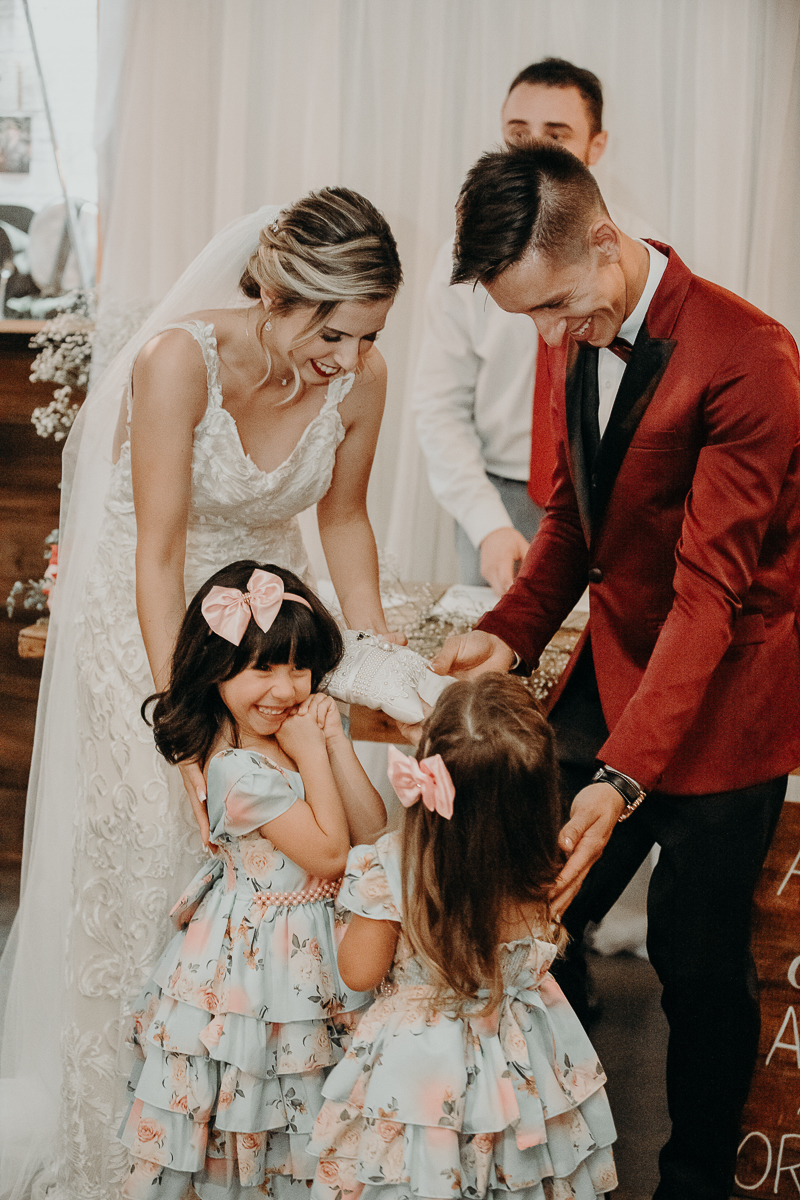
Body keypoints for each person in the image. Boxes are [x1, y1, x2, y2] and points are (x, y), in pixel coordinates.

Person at [0, 189, 403, 1200]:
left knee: (275, 867)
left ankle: (243, 1142)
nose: (350, 357)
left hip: (262, 632)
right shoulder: (178, 361)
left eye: (369, 334)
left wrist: (375, 662)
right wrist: (184, 728)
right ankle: (125, 1143)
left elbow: (344, 521)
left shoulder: (361, 378)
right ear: (276, 296)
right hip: (151, 623)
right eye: (332, 332)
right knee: (162, 848)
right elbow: (159, 551)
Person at [434, 142, 800, 1199]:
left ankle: (691, 1179)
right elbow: (569, 518)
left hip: (725, 695)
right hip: (611, 667)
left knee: (696, 966)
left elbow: (708, 597)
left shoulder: (750, 358)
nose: (549, 338)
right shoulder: (572, 328)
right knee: (521, 904)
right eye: (529, 320)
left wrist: (623, 776)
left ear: (604, 240)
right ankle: (537, 1148)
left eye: (555, 308)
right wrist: (507, 632)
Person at [118, 560, 386, 1198]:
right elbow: (330, 854)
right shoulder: (235, 770)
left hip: (322, 946)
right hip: (259, 959)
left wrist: (335, 743)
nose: (285, 689)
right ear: (216, 673)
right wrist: (313, 752)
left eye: (299, 668)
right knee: (260, 1085)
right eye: (262, 669)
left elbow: (371, 831)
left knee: (315, 1084)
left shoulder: (299, 734)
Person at [306, 673, 617, 1200]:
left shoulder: (391, 868)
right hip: (522, 1065)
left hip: (419, 1071)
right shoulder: (546, 873)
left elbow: (358, 972)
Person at [412, 57, 658, 596]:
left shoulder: (637, 251)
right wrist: (488, 526)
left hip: (607, 496)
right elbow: (438, 404)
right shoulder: (464, 258)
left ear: (597, 146)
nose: (532, 151)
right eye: (517, 133)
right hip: (496, 498)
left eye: (556, 134)